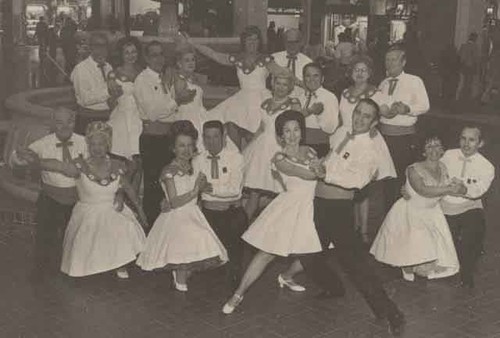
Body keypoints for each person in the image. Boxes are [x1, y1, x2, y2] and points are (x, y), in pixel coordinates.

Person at [301, 99, 405, 336]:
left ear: (374, 122)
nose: (359, 118)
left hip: (338, 210)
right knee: (306, 252)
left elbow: (357, 181)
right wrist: (320, 165)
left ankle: (391, 312)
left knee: (355, 265)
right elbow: (332, 161)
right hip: (320, 204)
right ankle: (333, 287)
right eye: (358, 112)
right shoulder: (341, 135)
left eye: (366, 116)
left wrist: (326, 173)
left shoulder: (369, 149)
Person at [222, 110, 324, 314]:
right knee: (266, 254)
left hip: (309, 208)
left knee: (313, 253)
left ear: (301, 132)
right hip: (288, 209)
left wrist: (320, 168)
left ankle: (286, 276)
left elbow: (321, 172)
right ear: (280, 136)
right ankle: (238, 294)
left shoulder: (310, 151)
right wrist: (318, 169)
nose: (292, 134)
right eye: (287, 131)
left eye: (296, 129)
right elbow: (306, 173)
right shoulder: (279, 158)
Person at [38, 122, 147, 279]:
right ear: (88, 145)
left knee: (123, 226)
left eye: (101, 144)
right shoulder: (79, 165)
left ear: (108, 145)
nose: (97, 148)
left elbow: (127, 186)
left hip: (112, 207)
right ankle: (89, 266)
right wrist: (34, 161)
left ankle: (119, 263)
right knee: (89, 238)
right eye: (93, 144)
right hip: (87, 211)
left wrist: (139, 209)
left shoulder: (117, 164)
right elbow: (57, 165)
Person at [137, 121, 228, 292]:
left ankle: (182, 272)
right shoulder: (168, 170)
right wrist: (195, 191)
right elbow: (174, 201)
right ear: (173, 148)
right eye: (181, 146)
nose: (186, 150)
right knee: (185, 244)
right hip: (177, 214)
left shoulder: (193, 166)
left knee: (200, 245)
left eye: (189, 146)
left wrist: (206, 187)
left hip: (193, 212)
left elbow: (203, 186)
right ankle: (180, 277)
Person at [9, 108, 87, 280]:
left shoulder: (84, 142)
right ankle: (42, 271)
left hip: (76, 199)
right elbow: (16, 158)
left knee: (74, 235)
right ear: (52, 123)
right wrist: (20, 157)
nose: (65, 126)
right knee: (45, 236)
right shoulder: (43, 143)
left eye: (69, 122)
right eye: (59, 122)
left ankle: (74, 268)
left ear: (74, 122)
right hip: (50, 198)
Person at [370, 137, 461, 281]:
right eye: (429, 147)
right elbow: (422, 190)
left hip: (432, 211)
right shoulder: (414, 169)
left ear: (442, 150)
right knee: (412, 250)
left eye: (437, 146)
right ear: (423, 152)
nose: (433, 150)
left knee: (435, 259)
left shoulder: (443, 167)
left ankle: (417, 264)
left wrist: (457, 189)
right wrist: (449, 189)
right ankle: (408, 265)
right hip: (412, 211)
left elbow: (444, 191)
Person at [188, 26, 291, 150]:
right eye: (249, 40)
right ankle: (236, 160)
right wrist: (193, 43)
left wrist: (306, 84)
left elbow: (284, 74)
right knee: (225, 124)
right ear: (244, 42)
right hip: (241, 100)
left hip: (261, 100)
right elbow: (214, 55)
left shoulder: (265, 59)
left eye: (255, 39)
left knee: (257, 136)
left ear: (259, 42)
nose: (252, 43)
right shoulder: (238, 58)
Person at [133, 40, 195, 224]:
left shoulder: (165, 77)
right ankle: (152, 228)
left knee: (170, 184)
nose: (159, 58)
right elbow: (153, 113)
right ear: (146, 58)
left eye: (161, 54)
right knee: (154, 186)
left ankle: (167, 226)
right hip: (153, 138)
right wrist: (178, 101)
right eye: (154, 55)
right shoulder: (142, 80)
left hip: (167, 137)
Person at [340, 55, 396, 241]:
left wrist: (374, 124)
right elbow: (343, 118)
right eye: (356, 70)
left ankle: (364, 230)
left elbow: (385, 112)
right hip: (348, 139)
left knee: (363, 185)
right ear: (351, 72)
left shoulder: (375, 92)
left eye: (364, 70)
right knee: (350, 184)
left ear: (370, 73)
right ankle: (353, 224)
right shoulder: (345, 93)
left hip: (366, 140)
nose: (360, 73)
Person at [193, 120, 248, 288]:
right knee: (212, 262)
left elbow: (234, 190)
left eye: (216, 136)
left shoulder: (236, 158)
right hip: (209, 215)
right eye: (208, 137)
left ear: (224, 137)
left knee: (234, 261)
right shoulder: (197, 160)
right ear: (203, 139)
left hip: (232, 214)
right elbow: (194, 188)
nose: (212, 141)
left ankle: (234, 288)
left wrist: (208, 188)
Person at [440, 126, 495, 288]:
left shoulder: (486, 166)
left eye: (472, 140)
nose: (466, 143)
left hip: (469, 205)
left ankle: (467, 271)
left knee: (474, 231)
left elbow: (479, 190)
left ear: (480, 143)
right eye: (463, 138)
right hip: (445, 204)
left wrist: (464, 189)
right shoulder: (448, 155)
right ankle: (449, 265)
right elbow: (434, 173)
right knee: (447, 237)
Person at [243, 72, 302, 221]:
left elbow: (296, 129)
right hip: (261, 148)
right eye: (278, 83)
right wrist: (247, 148)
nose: (281, 87)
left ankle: (275, 227)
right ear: (272, 85)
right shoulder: (265, 103)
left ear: (290, 87)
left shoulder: (293, 104)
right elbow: (261, 128)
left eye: (285, 84)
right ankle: (244, 228)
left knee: (280, 190)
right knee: (255, 191)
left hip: (279, 147)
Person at [378, 46, 430, 209]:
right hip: (384, 137)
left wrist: (407, 109)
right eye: (387, 59)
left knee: (403, 179)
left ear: (403, 62)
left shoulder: (414, 81)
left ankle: (404, 214)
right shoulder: (384, 83)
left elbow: (425, 105)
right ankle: (389, 215)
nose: (390, 63)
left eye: (394, 59)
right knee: (386, 179)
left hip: (404, 138)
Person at [107, 37, 144, 193]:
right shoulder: (113, 74)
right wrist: (114, 94)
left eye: (134, 51)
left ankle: (134, 199)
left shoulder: (143, 72)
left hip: (139, 117)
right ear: (121, 55)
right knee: (125, 163)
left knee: (139, 160)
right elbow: (110, 102)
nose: (131, 55)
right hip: (122, 117)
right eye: (127, 52)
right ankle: (121, 194)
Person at [71, 32, 117, 134]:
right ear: (90, 48)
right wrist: (108, 91)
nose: (102, 50)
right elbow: (85, 99)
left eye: (105, 46)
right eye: (98, 46)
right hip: (88, 119)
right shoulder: (81, 69)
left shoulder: (108, 66)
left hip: (108, 118)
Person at [298, 62, 339, 157]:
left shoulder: (329, 97)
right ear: (303, 79)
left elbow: (331, 128)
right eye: (308, 76)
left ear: (322, 79)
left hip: (318, 146)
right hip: (299, 144)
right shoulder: (301, 96)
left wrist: (320, 113)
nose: (311, 79)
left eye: (316, 76)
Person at [272, 28, 313, 97]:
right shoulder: (274, 58)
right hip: (278, 101)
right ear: (284, 43)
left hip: (301, 101)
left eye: (295, 42)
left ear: (301, 43)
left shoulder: (308, 62)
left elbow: (313, 87)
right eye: (289, 42)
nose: (292, 45)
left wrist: (296, 80)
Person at [457, 33, 480, 102]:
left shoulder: (463, 46)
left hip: (463, 67)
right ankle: (466, 98)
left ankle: (460, 97)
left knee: (463, 82)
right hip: (471, 68)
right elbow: (476, 59)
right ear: (475, 39)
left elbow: (460, 57)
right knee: (469, 83)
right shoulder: (475, 47)